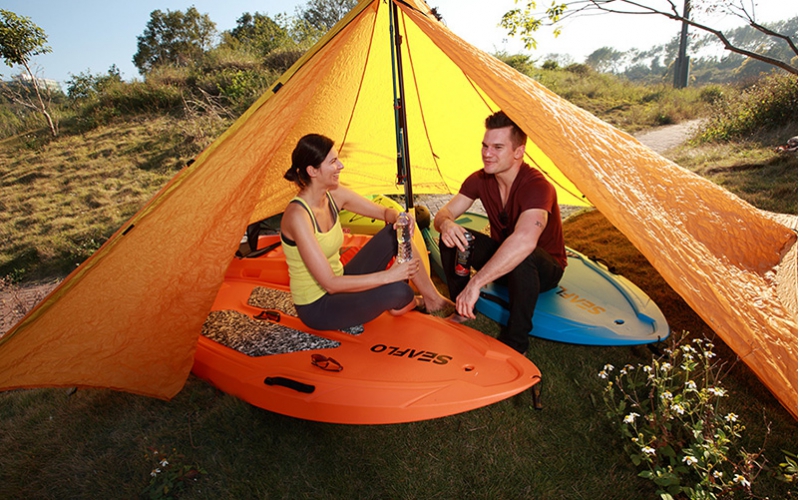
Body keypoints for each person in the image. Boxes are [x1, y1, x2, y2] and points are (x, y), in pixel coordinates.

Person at [281, 133, 453, 331]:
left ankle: (433, 299)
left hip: (342, 279)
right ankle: (415, 302)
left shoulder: (334, 195)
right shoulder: (298, 217)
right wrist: (390, 276)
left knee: (393, 233)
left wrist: (400, 218)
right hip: (319, 306)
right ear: (313, 170)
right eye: (334, 162)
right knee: (400, 291)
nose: (341, 166)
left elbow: (384, 212)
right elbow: (330, 284)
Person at [433, 111, 567, 353]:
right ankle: (462, 310)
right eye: (485, 146)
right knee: (455, 237)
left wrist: (476, 283)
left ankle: (516, 344)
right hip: (503, 263)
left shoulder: (537, 186)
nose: (487, 153)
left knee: (523, 252)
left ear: (518, 152)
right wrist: (447, 224)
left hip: (542, 269)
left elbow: (525, 240)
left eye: (497, 147)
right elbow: (443, 214)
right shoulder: (480, 179)